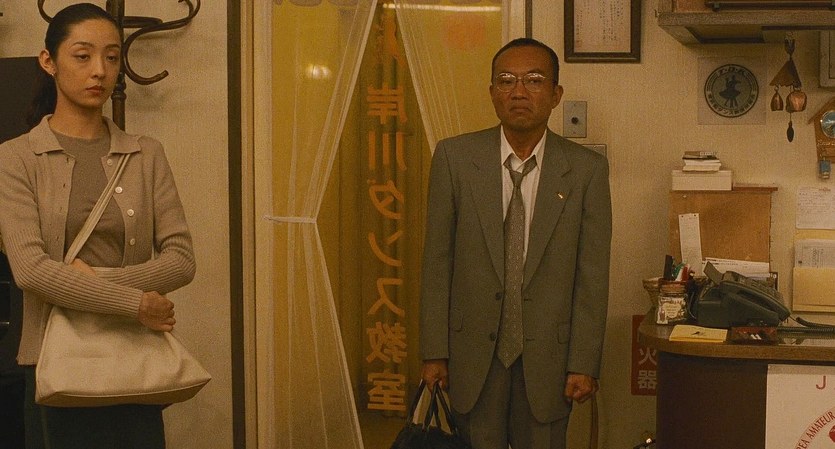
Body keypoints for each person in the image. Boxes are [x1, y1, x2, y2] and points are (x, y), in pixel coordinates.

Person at [0, 3, 195, 449]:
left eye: (111, 57)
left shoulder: (145, 153)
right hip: (54, 363)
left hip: (132, 358)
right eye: (82, 56)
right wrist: (135, 302)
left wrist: (98, 286)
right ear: (48, 61)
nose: (100, 71)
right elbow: (30, 271)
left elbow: (182, 260)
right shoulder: (16, 158)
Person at [419, 37, 612, 449]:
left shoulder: (585, 170)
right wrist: (434, 352)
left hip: (549, 360)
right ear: (492, 92)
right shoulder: (454, 158)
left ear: (556, 95)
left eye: (534, 80)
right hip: (472, 354)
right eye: (506, 80)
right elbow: (437, 262)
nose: (519, 91)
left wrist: (583, 362)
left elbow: (592, 277)